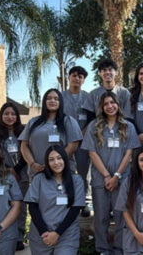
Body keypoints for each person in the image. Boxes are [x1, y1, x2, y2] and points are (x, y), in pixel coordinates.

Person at [82, 91, 141, 254]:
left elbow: (129, 153)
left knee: (121, 215)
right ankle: (103, 249)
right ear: (101, 107)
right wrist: (107, 176)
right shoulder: (94, 126)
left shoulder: (128, 127)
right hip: (100, 180)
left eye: (112, 103)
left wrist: (117, 176)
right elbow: (91, 153)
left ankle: (120, 248)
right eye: (106, 104)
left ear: (118, 105)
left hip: (122, 180)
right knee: (101, 217)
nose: (109, 106)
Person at [24, 145, 85, 255]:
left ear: (65, 159)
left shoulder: (76, 180)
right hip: (41, 234)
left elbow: (75, 210)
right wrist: (44, 233)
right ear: (47, 163)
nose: (56, 162)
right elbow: (32, 207)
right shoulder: (39, 179)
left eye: (59, 158)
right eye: (51, 160)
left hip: (66, 234)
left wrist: (57, 233)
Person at [0, 102, 27, 250]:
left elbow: (27, 152)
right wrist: (8, 170)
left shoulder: (24, 132)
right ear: (1, 116)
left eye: (13, 114)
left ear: (17, 116)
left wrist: (16, 170)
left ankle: (19, 237)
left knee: (21, 207)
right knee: (4, 206)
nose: (10, 117)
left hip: (22, 177)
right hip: (2, 176)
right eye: (6, 114)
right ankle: (3, 235)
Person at [19, 88, 82, 178]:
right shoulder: (33, 122)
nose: (52, 100)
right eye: (49, 98)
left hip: (61, 173)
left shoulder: (68, 121)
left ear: (61, 102)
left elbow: (73, 146)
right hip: (37, 173)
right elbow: (24, 145)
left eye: (56, 99)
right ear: (44, 102)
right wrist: (33, 164)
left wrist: (53, 164)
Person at [62, 66, 91, 217]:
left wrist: (80, 135)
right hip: (65, 142)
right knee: (66, 171)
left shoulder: (87, 97)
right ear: (68, 77)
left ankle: (84, 202)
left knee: (83, 172)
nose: (77, 78)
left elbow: (91, 119)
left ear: (83, 80)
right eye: (74, 75)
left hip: (82, 142)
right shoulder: (60, 97)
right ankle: (69, 199)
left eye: (80, 76)